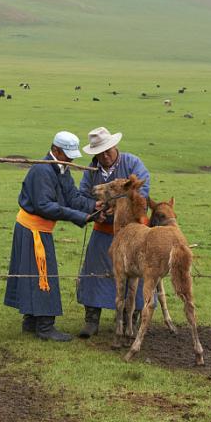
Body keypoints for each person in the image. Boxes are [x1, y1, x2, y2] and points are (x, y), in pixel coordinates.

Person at [4, 131, 99, 342]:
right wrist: (81, 217)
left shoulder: (61, 168)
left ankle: (31, 322)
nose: (72, 159)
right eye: (68, 154)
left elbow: (72, 197)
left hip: (39, 230)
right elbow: (44, 206)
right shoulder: (42, 170)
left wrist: (93, 208)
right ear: (55, 150)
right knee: (43, 276)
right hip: (32, 230)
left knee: (35, 275)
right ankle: (45, 327)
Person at [76, 127, 150, 338]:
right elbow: (83, 195)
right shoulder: (92, 171)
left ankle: (131, 319)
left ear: (115, 146)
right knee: (94, 271)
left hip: (134, 232)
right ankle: (92, 319)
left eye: (108, 150)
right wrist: (94, 207)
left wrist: (118, 203)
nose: (105, 155)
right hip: (104, 229)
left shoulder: (133, 164)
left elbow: (142, 191)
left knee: (136, 272)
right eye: (100, 152)